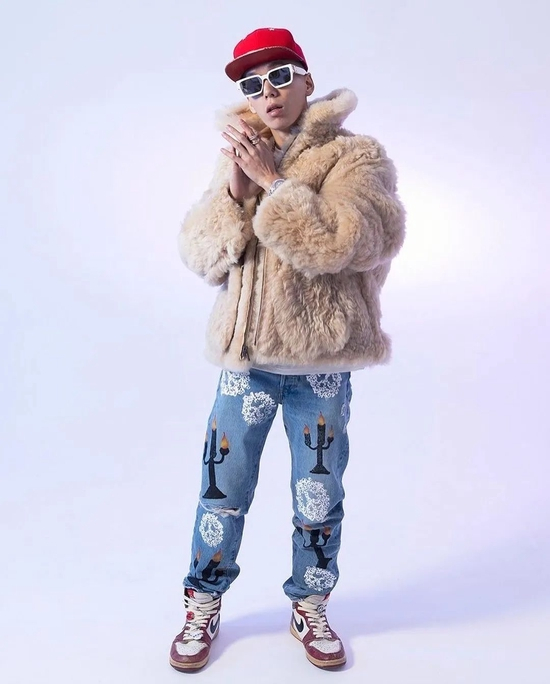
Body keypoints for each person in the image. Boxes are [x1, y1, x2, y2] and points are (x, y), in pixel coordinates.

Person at [169, 27, 406, 671]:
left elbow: (349, 242)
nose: (267, 93)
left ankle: (311, 603)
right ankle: (203, 599)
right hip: (247, 361)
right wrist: (235, 194)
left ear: (306, 80)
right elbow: (201, 256)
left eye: (279, 76)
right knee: (221, 491)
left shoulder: (355, 156)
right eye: (252, 84)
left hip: (322, 365)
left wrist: (274, 184)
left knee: (318, 496)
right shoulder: (239, 156)